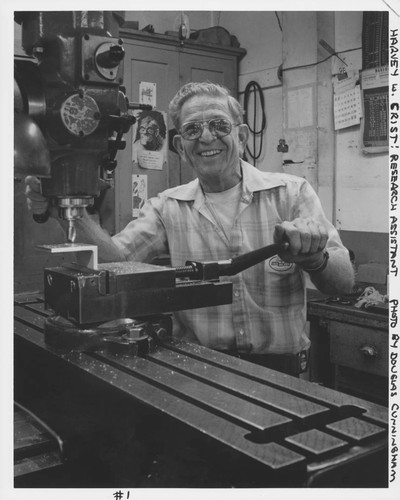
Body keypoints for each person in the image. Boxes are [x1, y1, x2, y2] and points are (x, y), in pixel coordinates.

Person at [25, 81, 354, 377]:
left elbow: (342, 282)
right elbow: (115, 262)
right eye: (193, 129)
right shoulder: (168, 207)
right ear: (181, 147)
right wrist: (70, 210)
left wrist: (314, 257)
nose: (207, 137)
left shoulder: (291, 193)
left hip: (279, 372)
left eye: (219, 125)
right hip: (198, 370)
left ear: (240, 136)